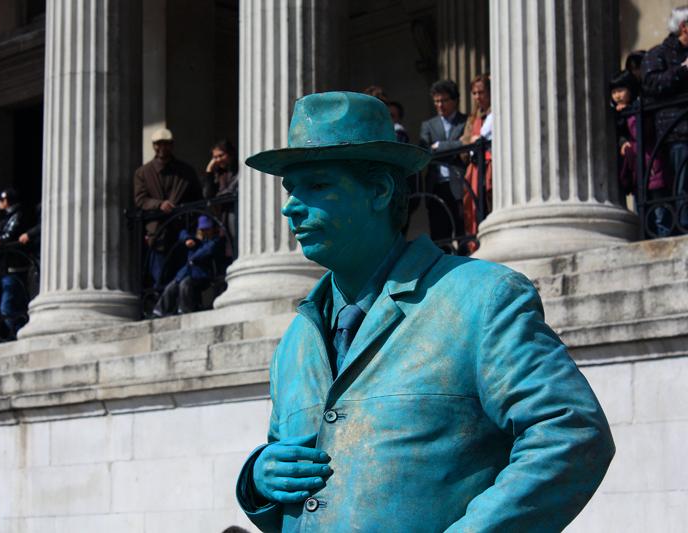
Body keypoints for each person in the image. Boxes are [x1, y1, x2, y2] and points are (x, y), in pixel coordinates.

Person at [235, 91, 614, 532]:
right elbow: (305, 496)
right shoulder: (297, 341)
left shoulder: (481, 297)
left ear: (379, 191)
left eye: (317, 185)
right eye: (289, 188)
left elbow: (571, 432)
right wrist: (259, 482)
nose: (290, 206)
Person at [133, 128, 203, 289]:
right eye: (158, 144)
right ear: (153, 146)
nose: (162, 148)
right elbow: (140, 199)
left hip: (182, 232)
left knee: (183, 274)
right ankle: (160, 308)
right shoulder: (143, 173)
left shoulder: (186, 171)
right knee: (159, 277)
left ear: (172, 146)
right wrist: (159, 204)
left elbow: (197, 198)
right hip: (157, 234)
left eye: (166, 144)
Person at [642, 6, 688, 232]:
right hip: (676, 130)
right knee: (683, 184)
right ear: (684, 27)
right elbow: (652, 85)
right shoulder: (657, 54)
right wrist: (682, 70)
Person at [613, 71, 672, 237]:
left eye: (621, 90)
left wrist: (630, 114)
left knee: (659, 211)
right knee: (643, 212)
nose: (617, 95)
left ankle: (663, 238)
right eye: (614, 91)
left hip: (652, 167)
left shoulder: (640, 108)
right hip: (638, 172)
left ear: (631, 90)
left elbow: (640, 133)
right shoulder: (618, 114)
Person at [419, 79, 467, 244]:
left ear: (454, 100)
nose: (440, 105)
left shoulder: (465, 121)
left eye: (444, 100)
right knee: (440, 237)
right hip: (436, 186)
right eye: (437, 101)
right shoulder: (428, 125)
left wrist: (439, 146)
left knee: (463, 233)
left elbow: (466, 144)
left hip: (460, 185)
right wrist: (454, 148)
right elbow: (425, 151)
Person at [151, 215, 225, 317]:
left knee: (184, 284)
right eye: (202, 229)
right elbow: (182, 233)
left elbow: (206, 251)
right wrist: (188, 239)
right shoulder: (195, 240)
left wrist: (194, 252)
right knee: (172, 286)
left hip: (202, 274)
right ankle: (159, 310)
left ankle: (184, 309)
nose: (205, 232)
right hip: (187, 272)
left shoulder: (214, 241)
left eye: (207, 229)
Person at [0, 188, 28, 335]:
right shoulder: (5, 218)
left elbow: (9, 236)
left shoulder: (18, 215)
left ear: (7, 201)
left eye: (1, 200)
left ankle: (18, 332)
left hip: (14, 267)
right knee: (11, 302)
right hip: (4, 267)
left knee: (8, 306)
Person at [460, 74, 493, 252]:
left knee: (490, 200)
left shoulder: (497, 113)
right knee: (472, 207)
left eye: (481, 92)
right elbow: (464, 144)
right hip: (474, 169)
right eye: (474, 93)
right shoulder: (473, 119)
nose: (478, 97)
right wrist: (471, 141)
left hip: (491, 165)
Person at [203, 139, 239, 256]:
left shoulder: (240, 168)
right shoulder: (219, 173)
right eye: (215, 157)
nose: (217, 160)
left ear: (230, 153)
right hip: (224, 219)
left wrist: (217, 196)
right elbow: (208, 195)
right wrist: (209, 171)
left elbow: (233, 190)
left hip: (236, 215)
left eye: (221, 155)